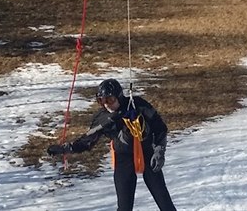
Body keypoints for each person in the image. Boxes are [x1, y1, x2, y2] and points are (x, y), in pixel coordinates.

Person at [48, 78, 176, 211]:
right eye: (101, 101)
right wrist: (66, 149)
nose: (106, 105)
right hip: (123, 159)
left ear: (119, 96)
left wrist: (159, 150)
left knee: (165, 203)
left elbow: (160, 127)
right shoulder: (103, 118)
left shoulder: (137, 104)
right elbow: (87, 141)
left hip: (148, 154)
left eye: (109, 100)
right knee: (124, 207)